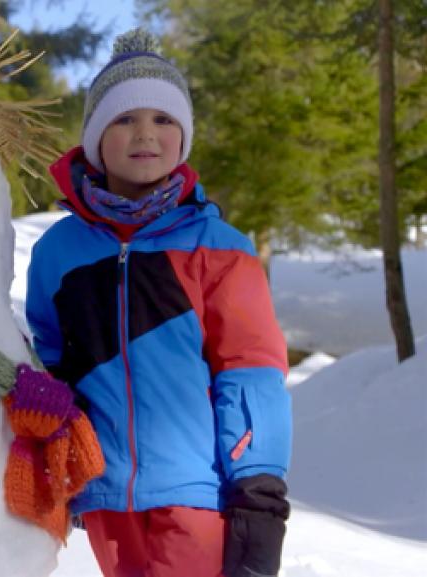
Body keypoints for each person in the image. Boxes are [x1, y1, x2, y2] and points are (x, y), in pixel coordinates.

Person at [25, 29, 292, 577]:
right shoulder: (58, 252)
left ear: (183, 136)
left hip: (199, 490)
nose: (145, 133)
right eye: (124, 118)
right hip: (104, 494)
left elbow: (251, 371)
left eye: (163, 119)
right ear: (96, 138)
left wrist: (259, 486)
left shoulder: (218, 248)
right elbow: (51, 362)